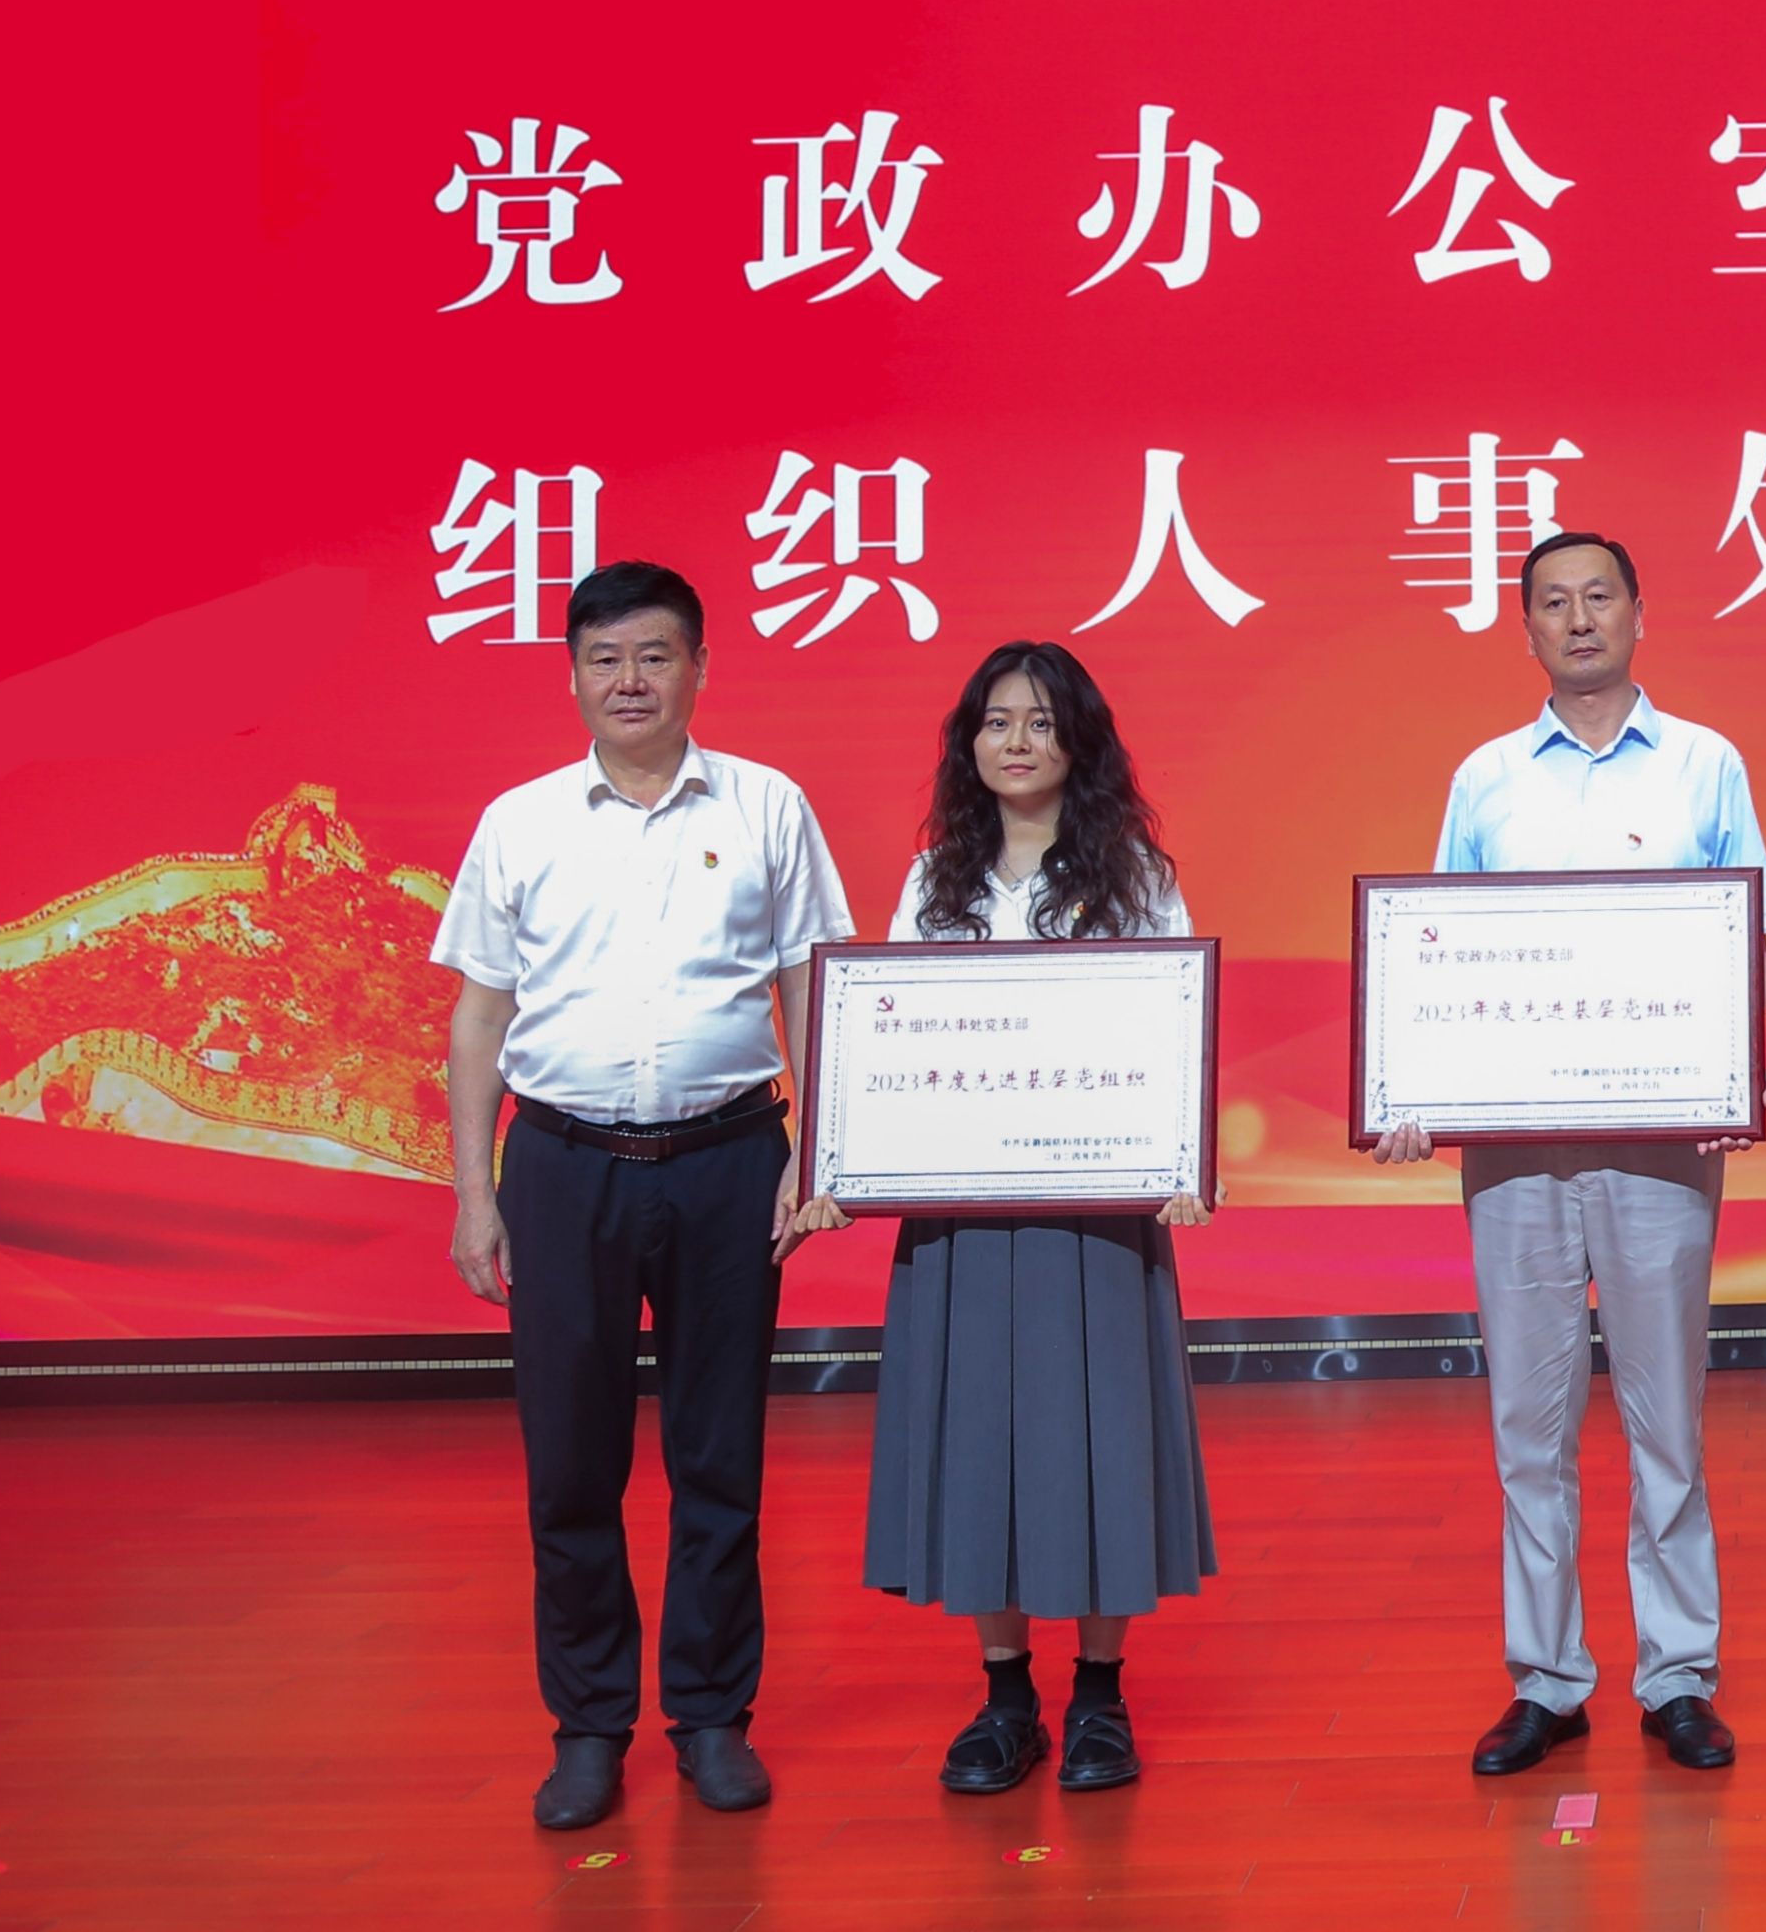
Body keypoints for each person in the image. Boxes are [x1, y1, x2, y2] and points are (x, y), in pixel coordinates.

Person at [435, 561, 856, 1831]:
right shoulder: (520, 822)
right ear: (572, 675)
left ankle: (714, 1717)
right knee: (570, 1462)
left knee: (718, 1455)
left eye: (656, 655)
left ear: (700, 669)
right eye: (605, 657)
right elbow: (479, 1015)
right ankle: (588, 1727)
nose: (630, 680)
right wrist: (474, 1192)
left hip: (731, 1160)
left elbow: (812, 984)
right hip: (561, 1166)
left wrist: (819, 1153)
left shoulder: (768, 804)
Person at [1373, 530, 1766, 1779]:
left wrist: (1735, 1069)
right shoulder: (1486, 776)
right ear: (1528, 629)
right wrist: (1410, 1088)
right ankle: (1546, 1679)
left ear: (1640, 612)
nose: (1580, 617)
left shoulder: (1706, 762)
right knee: (1528, 1424)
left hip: (1662, 1143)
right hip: (1514, 1150)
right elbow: (1436, 950)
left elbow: (1749, 937)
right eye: (1553, 602)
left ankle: (1678, 1675)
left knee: (1667, 1420)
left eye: (1600, 595)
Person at [778, 640, 1218, 1795]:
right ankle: (1005, 1695)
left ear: (1080, 741)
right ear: (968, 741)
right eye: (995, 721)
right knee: (980, 1441)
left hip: (1097, 1215)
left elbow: (1170, 1032)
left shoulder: (1133, 875)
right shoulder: (937, 882)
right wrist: (841, 1163)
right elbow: (881, 1041)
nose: (1016, 741)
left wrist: (1180, 1160)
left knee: (1101, 1440)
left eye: (1039, 721)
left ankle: (1101, 1694)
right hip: (960, 1217)